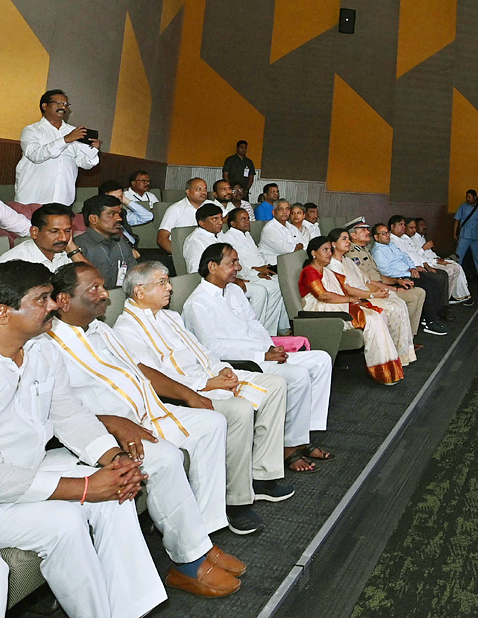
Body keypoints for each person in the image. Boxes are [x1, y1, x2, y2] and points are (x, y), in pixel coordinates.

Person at [46, 264, 246, 598]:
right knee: (165, 459)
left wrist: (186, 393)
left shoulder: (100, 330)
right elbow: (60, 411)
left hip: (148, 414)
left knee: (212, 424)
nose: (104, 294)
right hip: (104, 435)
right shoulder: (47, 344)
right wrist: (113, 423)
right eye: (93, 289)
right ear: (64, 300)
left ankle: (205, 535)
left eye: (102, 286)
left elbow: (140, 371)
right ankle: (187, 563)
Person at [0, 261, 168, 618]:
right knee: (65, 523)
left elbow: (70, 414)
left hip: (30, 465)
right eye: (42, 299)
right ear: (3, 313)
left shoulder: (42, 349)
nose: (53, 306)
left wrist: (112, 459)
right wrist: (85, 486)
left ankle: (129, 610)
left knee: (115, 494)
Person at [114, 261, 293, 534]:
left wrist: (224, 370)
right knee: (240, 409)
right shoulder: (126, 329)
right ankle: (235, 500)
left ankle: (262, 475)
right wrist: (208, 383)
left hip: (211, 376)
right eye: (162, 282)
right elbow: (155, 379)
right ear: (139, 291)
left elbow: (202, 351)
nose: (170, 287)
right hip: (187, 392)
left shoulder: (169, 317)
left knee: (275, 384)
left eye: (167, 281)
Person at [184, 243, 334, 473]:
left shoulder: (233, 290)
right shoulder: (197, 303)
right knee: (298, 374)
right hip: (240, 364)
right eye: (232, 262)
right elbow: (212, 349)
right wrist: (262, 355)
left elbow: (254, 324)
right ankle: (289, 447)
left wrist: (272, 348)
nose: (238, 267)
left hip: (264, 354)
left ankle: (302, 437)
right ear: (212, 267)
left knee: (321, 360)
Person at [301, 234, 413, 383]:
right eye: (325, 250)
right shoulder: (309, 271)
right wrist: (349, 300)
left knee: (377, 315)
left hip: (337, 304)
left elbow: (341, 290)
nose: (329, 253)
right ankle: (382, 371)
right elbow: (323, 296)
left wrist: (353, 300)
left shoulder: (326, 271)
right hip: (320, 309)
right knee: (372, 319)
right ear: (313, 253)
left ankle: (389, 368)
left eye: (329, 249)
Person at [15, 89, 100, 206]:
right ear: (45, 106)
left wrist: (93, 150)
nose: (63, 107)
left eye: (65, 104)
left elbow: (84, 163)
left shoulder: (74, 131)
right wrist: (65, 140)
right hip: (32, 197)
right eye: (58, 103)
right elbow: (35, 155)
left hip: (63, 198)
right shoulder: (32, 130)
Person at [345, 221, 427, 337]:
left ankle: (410, 336)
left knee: (420, 292)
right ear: (353, 235)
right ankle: (401, 336)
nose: (368, 232)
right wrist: (394, 289)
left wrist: (397, 281)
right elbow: (367, 282)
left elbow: (378, 276)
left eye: (367, 229)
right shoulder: (352, 254)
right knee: (412, 298)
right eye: (363, 230)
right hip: (372, 291)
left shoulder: (364, 250)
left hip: (380, 285)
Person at [219, 207, 290, 334]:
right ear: (233, 223)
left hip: (259, 271)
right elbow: (238, 265)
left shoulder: (247, 235)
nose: (247, 222)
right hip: (246, 275)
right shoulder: (228, 238)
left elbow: (257, 255)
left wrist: (265, 267)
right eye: (243, 219)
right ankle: (264, 330)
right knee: (274, 287)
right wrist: (257, 272)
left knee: (284, 282)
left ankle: (282, 327)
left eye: (248, 219)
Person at [371, 223, 448, 336]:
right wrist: (408, 273)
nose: (387, 236)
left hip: (409, 272)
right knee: (428, 284)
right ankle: (430, 322)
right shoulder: (378, 252)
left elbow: (405, 256)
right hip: (399, 277)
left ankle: (430, 315)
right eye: (383, 234)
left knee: (435, 279)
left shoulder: (391, 245)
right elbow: (386, 272)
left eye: (387, 233)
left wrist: (412, 268)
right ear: (376, 237)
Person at [398, 216, 471, 303]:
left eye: (415, 228)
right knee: (447, 272)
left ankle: (446, 298)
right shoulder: (403, 240)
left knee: (455, 267)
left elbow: (424, 255)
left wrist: (436, 259)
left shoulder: (416, 238)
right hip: (420, 266)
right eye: (412, 227)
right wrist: (427, 255)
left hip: (428, 262)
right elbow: (415, 256)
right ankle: (443, 301)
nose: (415, 229)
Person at [0, 203, 92, 271]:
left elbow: (94, 284)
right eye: (54, 231)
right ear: (34, 232)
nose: (63, 238)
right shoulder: (12, 263)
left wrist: (73, 251)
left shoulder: (67, 254)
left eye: (67, 231)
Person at [75, 194, 138, 289]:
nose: (119, 219)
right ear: (94, 219)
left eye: (119, 214)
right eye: (112, 214)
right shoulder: (79, 245)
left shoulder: (121, 243)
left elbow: (135, 276)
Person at [157, 178, 210, 255]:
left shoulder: (212, 206)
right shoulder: (176, 209)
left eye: (205, 189)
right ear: (188, 192)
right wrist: (179, 256)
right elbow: (162, 238)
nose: (203, 192)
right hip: (182, 252)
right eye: (199, 189)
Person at [453, 190, 478, 281]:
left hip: (476, 237)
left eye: (469, 197)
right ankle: (455, 277)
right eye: (467, 197)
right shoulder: (462, 207)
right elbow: (457, 220)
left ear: (475, 197)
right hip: (464, 236)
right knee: (458, 257)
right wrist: (454, 233)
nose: (467, 199)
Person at [258, 199, 305, 266]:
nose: (284, 212)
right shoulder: (269, 229)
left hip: (293, 263)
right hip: (274, 266)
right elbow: (286, 250)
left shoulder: (293, 228)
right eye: (280, 209)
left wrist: (299, 247)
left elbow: (304, 245)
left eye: (287, 209)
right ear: (273, 212)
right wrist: (298, 246)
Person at [183, 203, 226, 273]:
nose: (220, 222)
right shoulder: (195, 241)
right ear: (202, 223)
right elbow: (195, 271)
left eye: (221, 218)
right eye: (215, 219)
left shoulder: (220, 235)